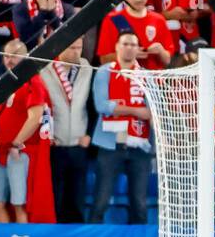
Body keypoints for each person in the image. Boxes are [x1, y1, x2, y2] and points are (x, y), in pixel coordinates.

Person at [90, 30, 152, 224]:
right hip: (110, 146)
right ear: (116, 46)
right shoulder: (104, 71)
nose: (129, 48)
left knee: (140, 204)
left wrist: (120, 108)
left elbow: (151, 111)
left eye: (133, 44)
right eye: (125, 43)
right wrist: (135, 111)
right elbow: (102, 105)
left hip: (139, 146)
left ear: (139, 49)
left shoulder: (146, 75)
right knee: (100, 202)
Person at [0, 37, 44, 223]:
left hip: (17, 152)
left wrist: (17, 143)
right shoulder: (4, 81)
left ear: (26, 56)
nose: (9, 59)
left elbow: (35, 117)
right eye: (6, 55)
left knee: (19, 204)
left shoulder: (33, 81)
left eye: (15, 55)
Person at [39, 36, 92, 224]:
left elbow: (91, 105)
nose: (76, 52)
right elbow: (41, 103)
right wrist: (47, 134)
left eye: (79, 48)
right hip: (56, 143)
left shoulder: (86, 68)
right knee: (57, 195)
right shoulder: (45, 68)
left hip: (79, 143)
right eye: (72, 48)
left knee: (78, 195)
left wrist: (89, 135)